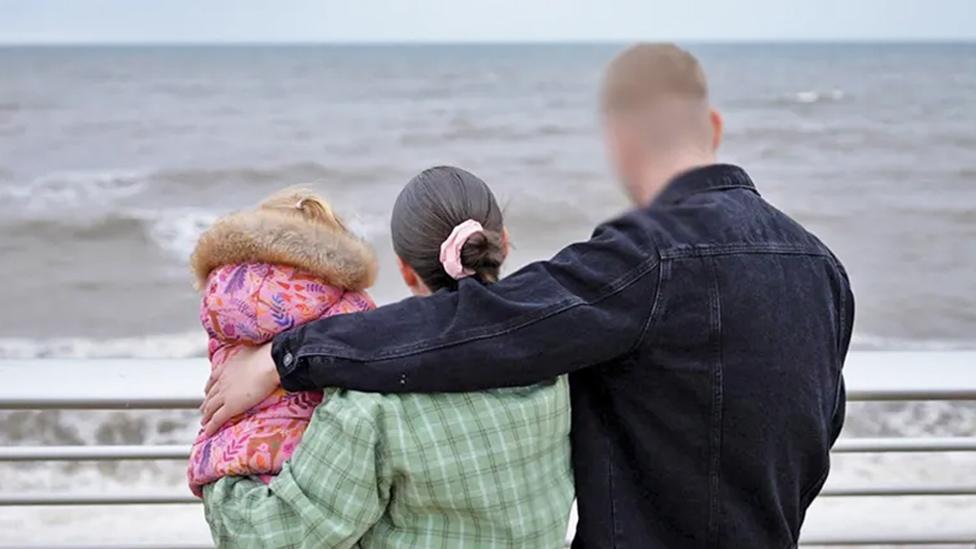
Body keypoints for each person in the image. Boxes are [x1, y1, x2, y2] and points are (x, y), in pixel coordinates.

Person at [203, 43, 855, 548]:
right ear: (712, 124)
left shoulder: (647, 256)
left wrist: (283, 356)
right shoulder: (824, 269)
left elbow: (482, 326)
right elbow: (817, 431)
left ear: (621, 139)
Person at [203, 167, 574, 548]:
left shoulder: (371, 405)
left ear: (405, 270)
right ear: (504, 243)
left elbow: (274, 539)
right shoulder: (559, 369)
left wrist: (220, 467)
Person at [186, 188, 377, 496]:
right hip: (310, 466)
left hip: (225, 467)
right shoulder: (350, 305)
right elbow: (374, 346)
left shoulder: (221, 293)